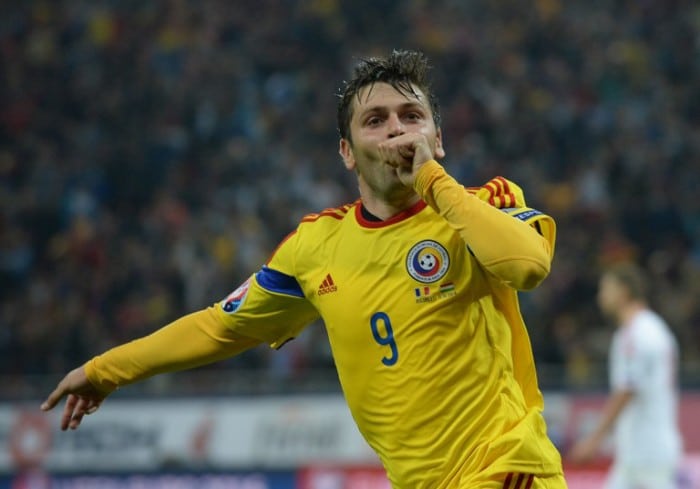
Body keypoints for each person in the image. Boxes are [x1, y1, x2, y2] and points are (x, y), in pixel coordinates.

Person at [41, 50, 566, 488]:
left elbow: (526, 266)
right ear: (347, 152)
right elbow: (220, 326)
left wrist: (432, 178)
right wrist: (105, 371)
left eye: (411, 116)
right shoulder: (315, 245)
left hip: (506, 470)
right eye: (375, 120)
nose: (396, 132)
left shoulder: (478, 205)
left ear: (438, 137)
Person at [569, 262, 683, 488]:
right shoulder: (654, 328)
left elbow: (627, 390)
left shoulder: (636, 334)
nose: (601, 296)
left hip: (646, 452)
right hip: (642, 452)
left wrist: (594, 440)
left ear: (623, 291)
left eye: (606, 289)